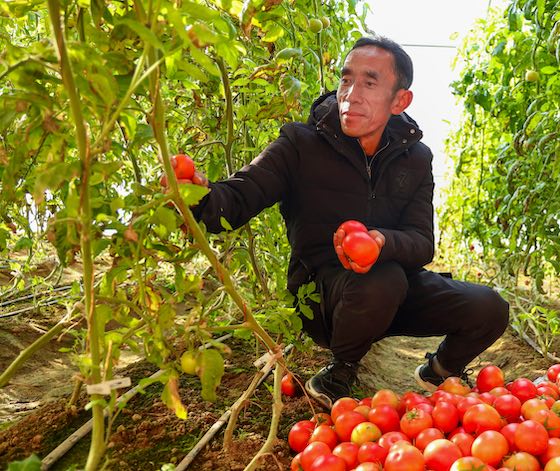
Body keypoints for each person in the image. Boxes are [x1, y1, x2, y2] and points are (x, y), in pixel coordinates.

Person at [177, 36, 509, 408]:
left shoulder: (415, 159)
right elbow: (237, 199)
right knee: (382, 279)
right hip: (324, 299)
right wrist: (198, 195)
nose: (352, 94)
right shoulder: (299, 145)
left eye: (370, 83)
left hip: (394, 291)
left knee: (489, 307)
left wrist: (381, 242)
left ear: (400, 100)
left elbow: (421, 242)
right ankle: (341, 370)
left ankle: (440, 370)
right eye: (346, 80)